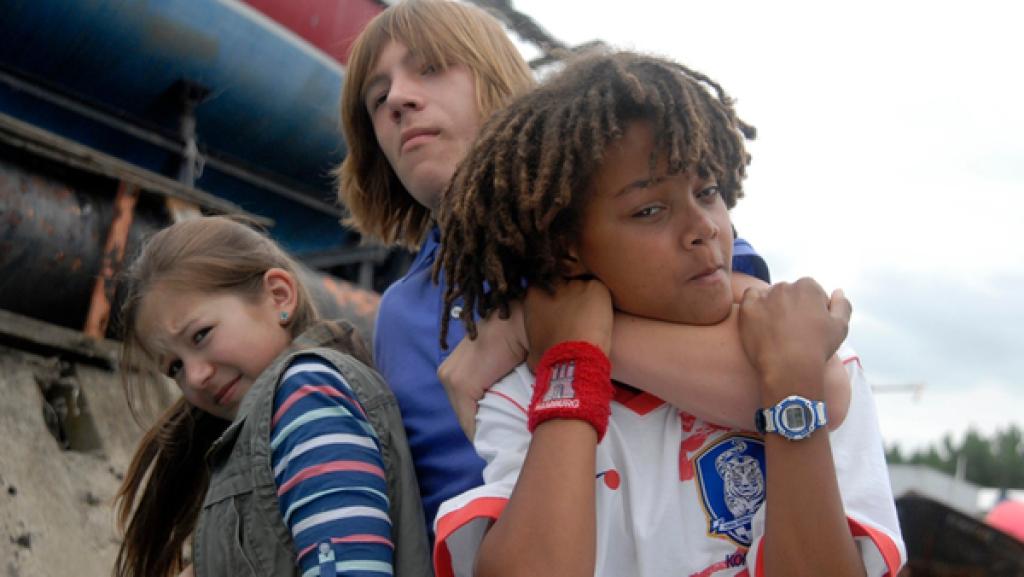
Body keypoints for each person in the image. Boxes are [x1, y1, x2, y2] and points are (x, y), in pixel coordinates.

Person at [335, 0, 848, 542]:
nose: (398, 99)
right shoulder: (400, 316)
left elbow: (805, 382)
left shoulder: (641, 225)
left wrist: (544, 332)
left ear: (500, 79)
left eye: (432, 68)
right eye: (377, 98)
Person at [431, 51, 905, 577]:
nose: (704, 227)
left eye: (708, 192)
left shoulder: (813, 347)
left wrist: (793, 383)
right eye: (650, 210)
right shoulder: (524, 392)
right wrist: (573, 362)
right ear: (567, 249)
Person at [111, 216, 430, 577]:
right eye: (175, 367)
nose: (195, 377)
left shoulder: (306, 395)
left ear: (279, 295)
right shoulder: (274, 421)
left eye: (201, 335)